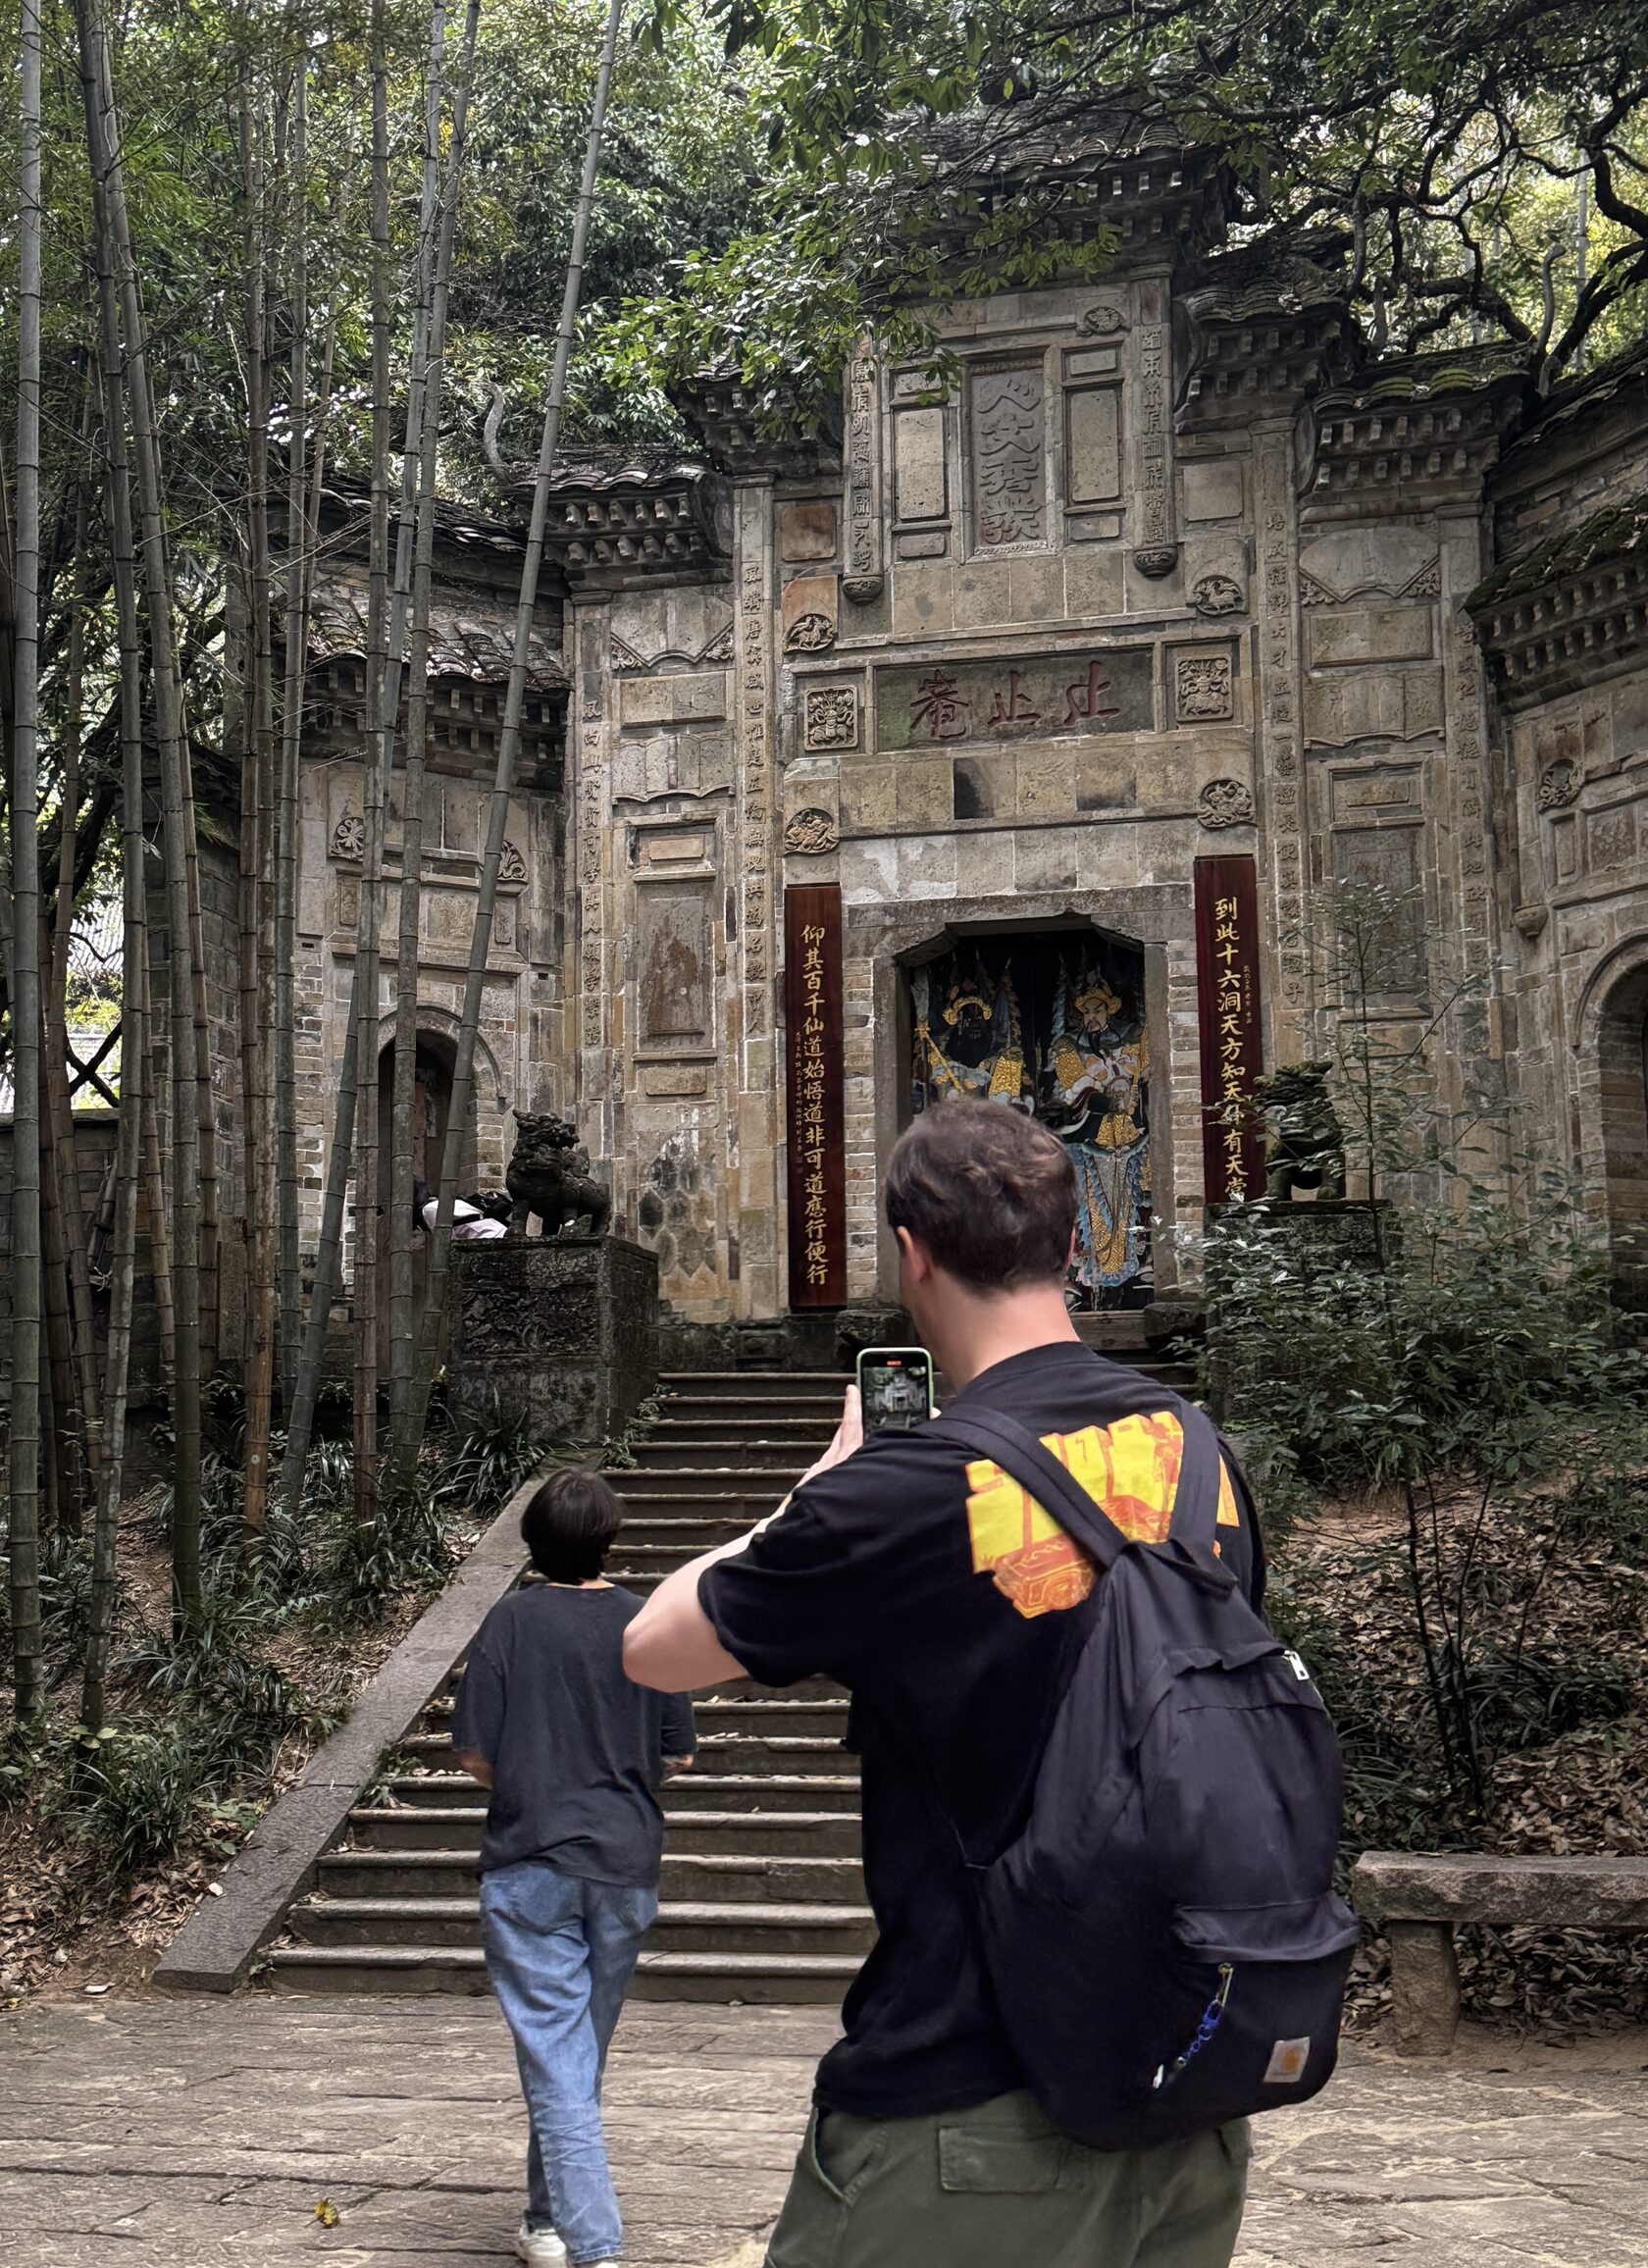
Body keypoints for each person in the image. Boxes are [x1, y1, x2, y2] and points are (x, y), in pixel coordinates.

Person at [623, 1097, 1263, 2268]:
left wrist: (815, 1491)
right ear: (1074, 1244)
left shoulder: (911, 1488)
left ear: (912, 1252)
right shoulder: (1200, 1454)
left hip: (972, 2114)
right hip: (1187, 2100)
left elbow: (656, 1645)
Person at [452, 1469, 696, 2268]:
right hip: (624, 1864)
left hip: (532, 1861)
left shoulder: (511, 1622)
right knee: (572, 2056)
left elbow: (475, 1755)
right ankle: (544, 2221)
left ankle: (593, 2247)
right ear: (609, 1539)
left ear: (533, 1541)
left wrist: (539, 1780)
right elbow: (678, 1752)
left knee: (560, 2059)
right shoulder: (644, 1621)